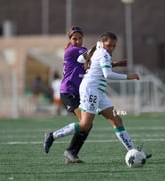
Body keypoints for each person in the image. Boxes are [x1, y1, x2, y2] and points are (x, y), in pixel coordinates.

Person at [44, 27, 130, 163]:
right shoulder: (73, 50)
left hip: (81, 92)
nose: (77, 41)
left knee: (88, 124)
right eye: (74, 38)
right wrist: (98, 46)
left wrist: (115, 63)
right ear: (70, 40)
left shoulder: (83, 51)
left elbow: (95, 64)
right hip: (69, 92)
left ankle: (70, 153)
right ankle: (61, 144)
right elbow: (90, 55)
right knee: (85, 124)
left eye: (80, 38)